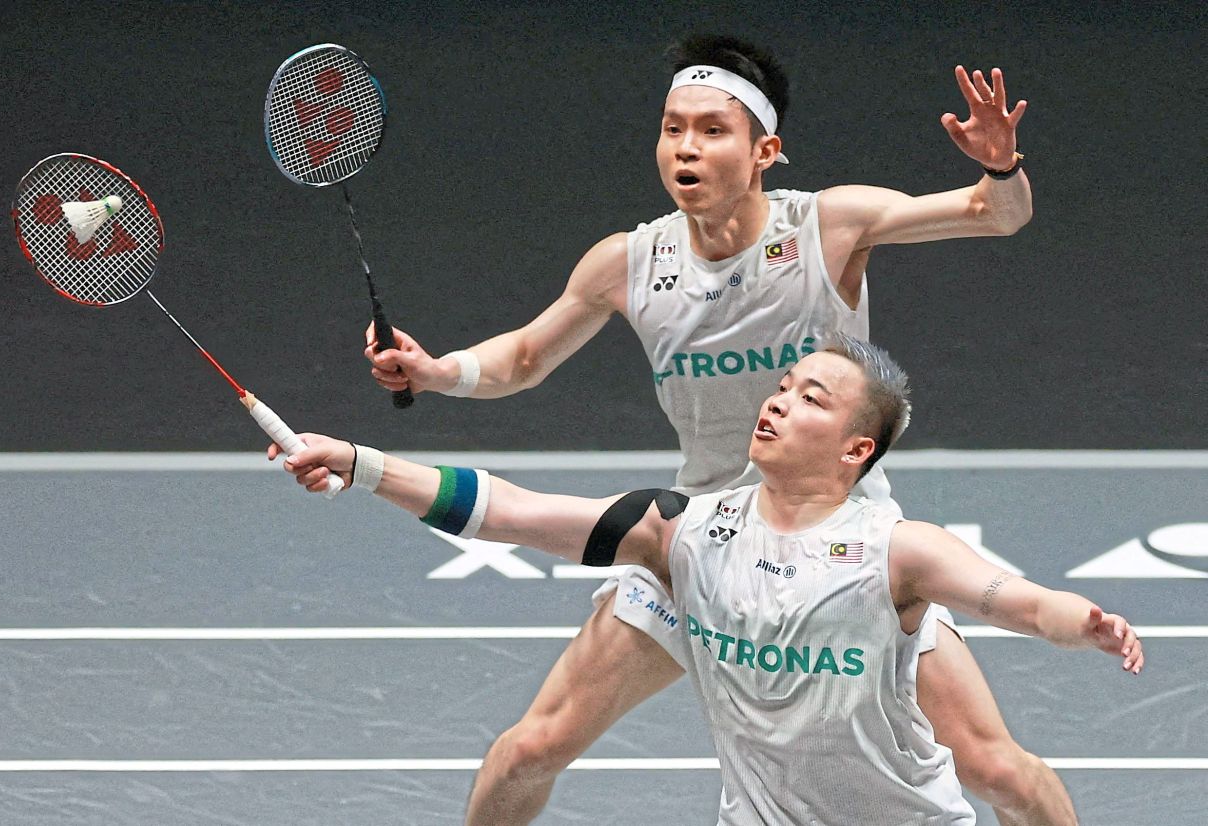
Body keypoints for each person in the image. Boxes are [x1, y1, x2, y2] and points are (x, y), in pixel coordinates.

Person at [364, 35, 1068, 824]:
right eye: (672, 128)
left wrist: (1000, 168)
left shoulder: (829, 228)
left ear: (765, 150)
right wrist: (440, 370)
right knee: (532, 747)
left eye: (711, 129)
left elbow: (993, 215)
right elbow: (525, 357)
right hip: (698, 544)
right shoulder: (628, 262)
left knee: (995, 768)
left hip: (843, 546)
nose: (685, 148)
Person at [272, 334, 1144, 825]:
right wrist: (360, 462)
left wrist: (1084, 623)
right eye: (785, 386)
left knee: (998, 766)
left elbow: (1013, 600)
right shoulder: (681, 530)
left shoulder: (897, 550)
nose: (779, 401)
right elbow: (510, 511)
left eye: (812, 399)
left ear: (856, 450)